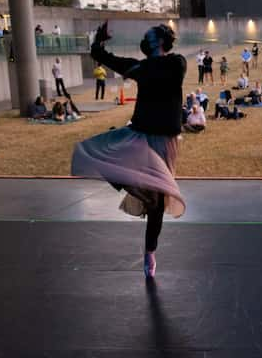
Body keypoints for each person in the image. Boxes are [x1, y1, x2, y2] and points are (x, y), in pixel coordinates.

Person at [71, 21, 188, 280]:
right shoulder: (142, 67)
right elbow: (106, 58)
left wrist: (136, 69)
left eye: (148, 36)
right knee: (98, 150)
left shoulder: (176, 63)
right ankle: (134, 183)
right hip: (140, 136)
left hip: (164, 141)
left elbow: (155, 71)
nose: (143, 40)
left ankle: (149, 252)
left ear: (159, 41)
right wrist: (98, 43)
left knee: (157, 204)